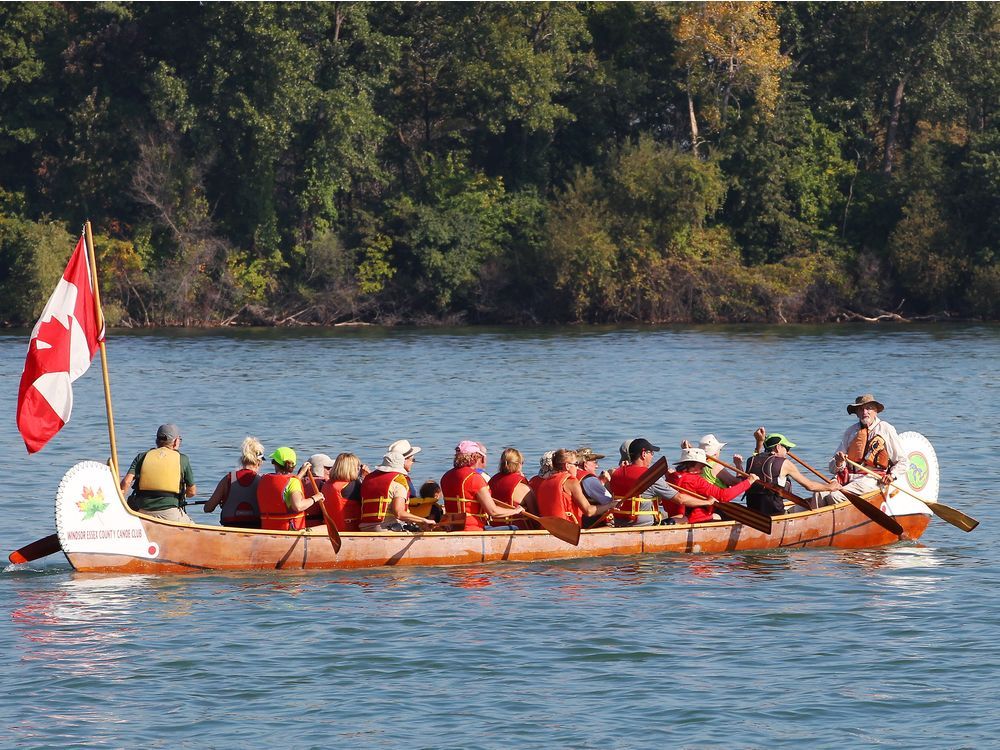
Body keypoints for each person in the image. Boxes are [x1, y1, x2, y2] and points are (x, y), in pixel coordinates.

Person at [813, 394, 909, 507]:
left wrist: (892, 475)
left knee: (835, 497)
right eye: (860, 409)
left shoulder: (885, 429)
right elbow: (832, 468)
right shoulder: (850, 431)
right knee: (818, 494)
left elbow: (903, 461)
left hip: (871, 479)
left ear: (875, 411)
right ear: (857, 413)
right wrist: (838, 462)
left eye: (868, 408)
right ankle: (818, 522)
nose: (864, 412)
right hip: (847, 477)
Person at [743, 433, 840, 515]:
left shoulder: (751, 460)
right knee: (816, 503)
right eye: (787, 448)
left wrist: (758, 442)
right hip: (775, 514)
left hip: (754, 513)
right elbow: (810, 486)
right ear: (778, 447)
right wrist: (829, 487)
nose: (788, 452)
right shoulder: (784, 463)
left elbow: (757, 455)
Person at [121, 423, 196, 524]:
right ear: (175, 441)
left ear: (157, 440)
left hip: (142, 511)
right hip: (170, 513)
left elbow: (126, 482)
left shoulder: (142, 457)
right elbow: (192, 492)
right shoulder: (182, 459)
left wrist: (121, 505)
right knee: (194, 529)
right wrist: (181, 495)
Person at [441, 440, 522, 531]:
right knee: (515, 528)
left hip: (452, 527)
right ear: (475, 457)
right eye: (481, 457)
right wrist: (515, 511)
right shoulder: (474, 478)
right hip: (472, 529)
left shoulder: (446, 476)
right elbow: (493, 511)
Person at [665, 447, 756, 524]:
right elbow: (723, 496)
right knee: (721, 515)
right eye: (701, 467)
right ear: (692, 465)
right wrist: (749, 482)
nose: (701, 471)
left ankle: (672, 521)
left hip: (674, 515)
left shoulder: (671, 477)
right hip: (694, 519)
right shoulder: (695, 480)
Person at [607, 438, 679, 526]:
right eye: (651, 453)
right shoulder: (651, 477)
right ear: (643, 454)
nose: (652, 457)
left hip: (619, 522)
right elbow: (679, 499)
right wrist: (701, 503)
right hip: (644, 525)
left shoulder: (615, 474)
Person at [360, 451, 435, 532]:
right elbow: (399, 513)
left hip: (364, 528)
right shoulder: (398, 482)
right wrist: (424, 520)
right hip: (384, 529)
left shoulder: (369, 479)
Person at [535, 449, 615, 525]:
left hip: (548, 527)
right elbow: (589, 511)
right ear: (567, 466)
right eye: (575, 464)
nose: (577, 468)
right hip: (568, 529)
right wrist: (611, 505)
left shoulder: (545, 482)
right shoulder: (571, 482)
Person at [256, 447, 323, 531]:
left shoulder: (264, 479)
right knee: (325, 528)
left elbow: (285, 486)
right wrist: (316, 497)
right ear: (293, 466)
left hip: (268, 528)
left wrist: (302, 473)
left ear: (275, 464)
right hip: (290, 531)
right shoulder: (293, 482)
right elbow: (298, 506)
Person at [204, 436, 264, 527]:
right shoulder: (262, 482)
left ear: (242, 460)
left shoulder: (228, 479)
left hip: (231, 527)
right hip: (254, 528)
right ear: (258, 462)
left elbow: (208, 508)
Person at [488, 447, 537, 527]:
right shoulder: (523, 488)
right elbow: (535, 515)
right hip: (517, 528)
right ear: (518, 465)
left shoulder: (491, 482)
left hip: (494, 525)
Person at [320, 452, 365, 531]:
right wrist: (367, 477)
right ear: (351, 468)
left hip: (332, 529)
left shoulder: (327, 484)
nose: (359, 469)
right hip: (350, 530)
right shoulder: (353, 485)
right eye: (357, 466)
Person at [574, 447, 614, 527]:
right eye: (595, 462)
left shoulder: (574, 475)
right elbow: (610, 501)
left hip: (578, 519)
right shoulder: (590, 480)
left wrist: (601, 482)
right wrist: (610, 482)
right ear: (585, 465)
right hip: (591, 523)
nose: (597, 466)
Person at [303, 453, 335, 526]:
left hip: (302, 523)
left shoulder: (299, 481)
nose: (331, 471)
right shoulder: (324, 484)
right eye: (328, 468)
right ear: (320, 469)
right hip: (318, 525)